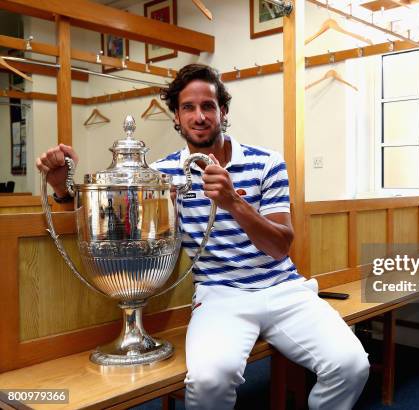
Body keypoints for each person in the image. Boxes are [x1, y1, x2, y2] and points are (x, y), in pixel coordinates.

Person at [36, 64, 370, 410]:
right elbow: (112, 228)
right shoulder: (164, 175)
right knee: (209, 380)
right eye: (188, 108)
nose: (199, 116)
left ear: (223, 112)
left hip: (283, 289)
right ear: (177, 118)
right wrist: (63, 188)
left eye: (208, 106)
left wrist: (233, 202)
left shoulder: (267, 162)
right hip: (220, 296)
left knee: (351, 365)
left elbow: (280, 246)